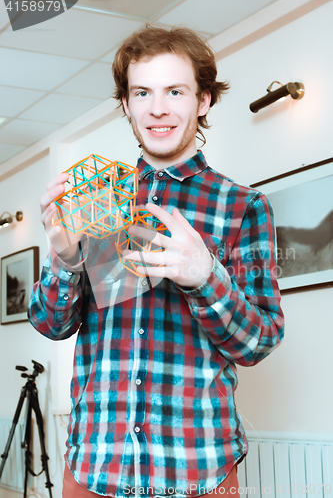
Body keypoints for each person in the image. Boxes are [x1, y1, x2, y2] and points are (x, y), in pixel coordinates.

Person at [28, 25, 284, 498]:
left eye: (175, 91)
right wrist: (65, 262)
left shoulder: (243, 206)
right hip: (94, 468)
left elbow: (259, 343)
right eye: (142, 92)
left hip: (199, 470)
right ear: (126, 104)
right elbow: (51, 325)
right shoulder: (95, 199)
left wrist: (205, 276)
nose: (158, 108)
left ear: (203, 100)